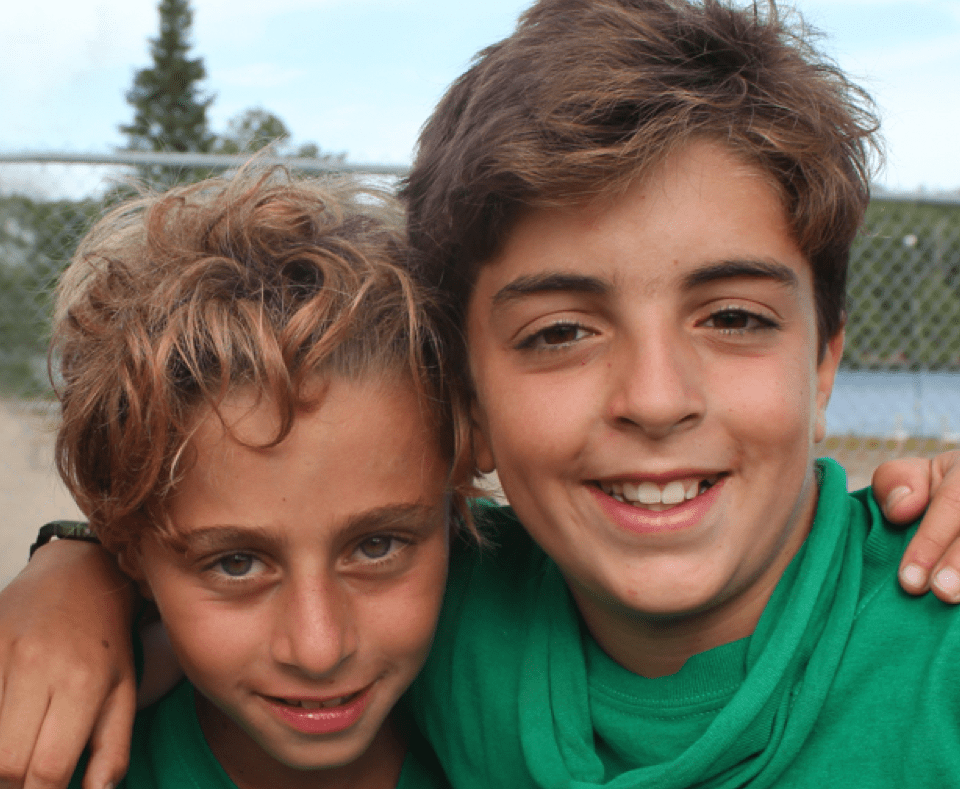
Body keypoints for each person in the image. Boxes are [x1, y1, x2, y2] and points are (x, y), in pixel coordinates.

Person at [2, 1, 960, 787]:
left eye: (736, 317)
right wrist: (77, 571)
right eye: (560, 333)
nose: (657, 398)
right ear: (467, 402)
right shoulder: (439, 610)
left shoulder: (932, 651)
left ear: (828, 358)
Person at [31, 164, 469, 789]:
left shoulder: (526, 704)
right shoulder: (48, 758)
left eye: (378, 546)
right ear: (128, 552)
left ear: (456, 506)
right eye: (236, 563)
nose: (319, 650)